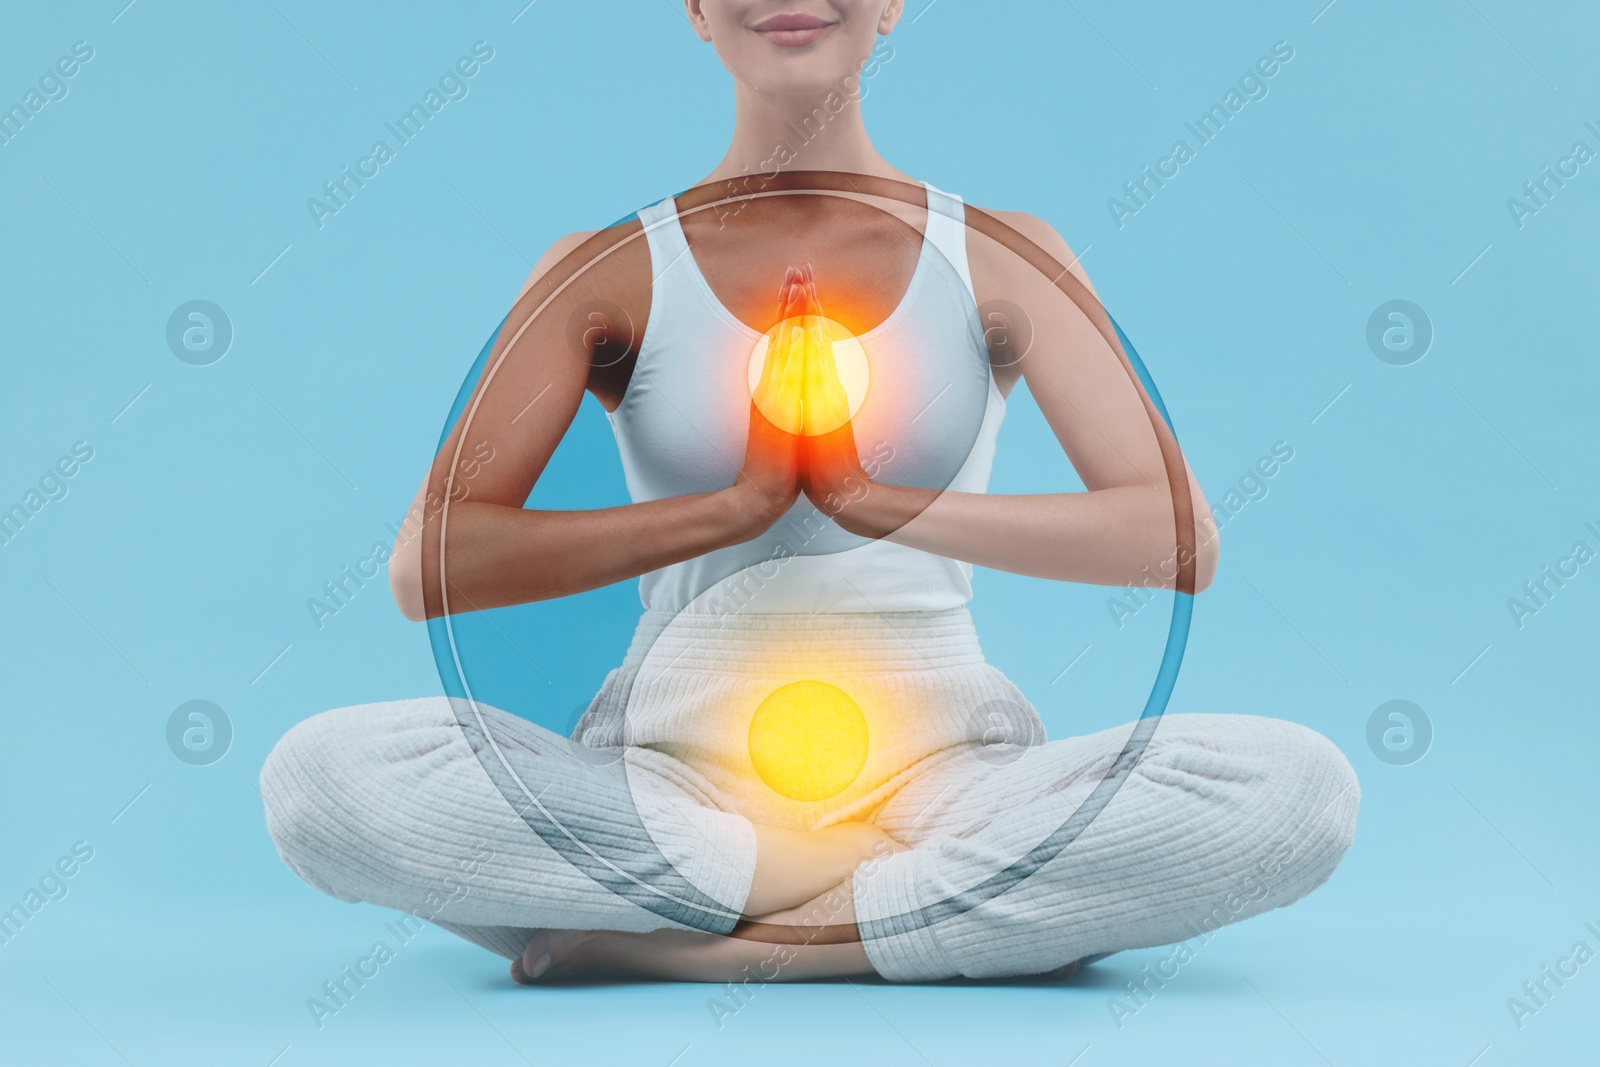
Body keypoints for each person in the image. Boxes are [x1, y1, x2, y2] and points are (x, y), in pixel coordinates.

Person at [261, 0, 1359, 985]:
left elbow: (1175, 538)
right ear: (694, 10)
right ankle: (909, 906)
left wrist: (877, 503)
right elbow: (429, 565)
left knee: (1296, 787)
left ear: (891, 6)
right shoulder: (602, 268)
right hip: (667, 781)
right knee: (318, 778)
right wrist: (734, 506)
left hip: (943, 770)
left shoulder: (1006, 255)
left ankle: (710, 947)